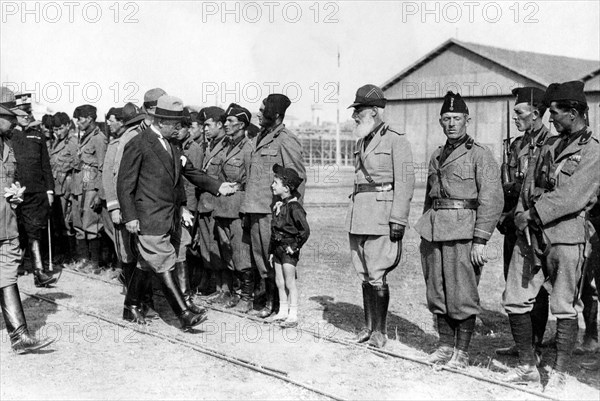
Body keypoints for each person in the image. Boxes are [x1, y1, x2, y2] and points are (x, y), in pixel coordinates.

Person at [502, 81, 599, 394]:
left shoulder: (593, 150)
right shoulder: (547, 146)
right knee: (515, 299)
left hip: (566, 237)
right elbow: (528, 185)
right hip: (530, 235)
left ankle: (558, 373)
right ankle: (528, 367)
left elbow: (572, 196)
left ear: (573, 112)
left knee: (563, 305)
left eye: (555, 113)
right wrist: (519, 214)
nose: (550, 119)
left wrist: (531, 214)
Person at [117, 95, 237, 331]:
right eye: (176, 124)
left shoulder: (172, 145)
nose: (181, 128)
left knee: (145, 263)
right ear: (161, 121)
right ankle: (183, 313)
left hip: (168, 217)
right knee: (162, 261)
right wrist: (129, 216)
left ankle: (131, 306)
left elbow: (190, 171)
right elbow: (124, 184)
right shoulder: (139, 143)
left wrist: (217, 186)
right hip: (147, 217)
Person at [415, 91, 503, 367]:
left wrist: (480, 240)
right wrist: (424, 230)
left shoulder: (480, 155)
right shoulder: (436, 155)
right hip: (434, 230)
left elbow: (492, 198)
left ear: (467, 120)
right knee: (437, 291)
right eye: (446, 119)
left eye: (456, 118)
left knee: (462, 293)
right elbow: (429, 197)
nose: (451, 123)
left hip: (463, 233)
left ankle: (461, 353)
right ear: (441, 122)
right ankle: (444, 346)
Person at [345, 84, 415, 348]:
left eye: (359, 111)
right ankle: (368, 327)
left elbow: (406, 183)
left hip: (382, 216)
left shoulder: (396, 140)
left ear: (374, 111)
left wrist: (398, 219)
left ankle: (380, 332)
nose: (355, 116)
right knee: (364, 273)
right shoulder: (363, 140)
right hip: (359, 215)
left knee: (377, 274)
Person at [496, 87, 551, 360]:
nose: (515, 117)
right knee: (513, 282)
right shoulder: (517, 145)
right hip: (513, 225)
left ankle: (536, 345)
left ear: (536, 113)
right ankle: (522, 344)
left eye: (520, 112)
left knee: (536, 288)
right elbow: (505, 184)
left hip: (536, 226)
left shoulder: (550, 144)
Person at [240, 94, 306, 319]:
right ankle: (270, 301)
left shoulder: (286, 139)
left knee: (277, 259)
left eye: (262, 110)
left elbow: (297, 177)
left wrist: (291, 214)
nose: (258, 113)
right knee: (261, 258)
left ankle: (282, 305)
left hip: (274, 211)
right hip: (255, 207)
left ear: (276, 115)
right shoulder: (259, 137)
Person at [0, 104, 54, 353]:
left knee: (7, 272)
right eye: (9, 118)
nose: (14, 123)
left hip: (6, 221)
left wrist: (13, 194)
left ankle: (19, 334)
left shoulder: (8, 144)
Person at [213, 103, 254, 312]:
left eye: (230, 121)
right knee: (227, 251)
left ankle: (247, 296)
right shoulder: (225, 145)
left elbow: (251, 182)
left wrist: (246, 210)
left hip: (237, 208)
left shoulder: (248, 148)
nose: (226, 124)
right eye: (226, 121)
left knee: (241, 252)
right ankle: (235, 293)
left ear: (242, 125)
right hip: (221, 207)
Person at [10, 104, 57, 287]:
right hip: (13, 191)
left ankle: (39, 272)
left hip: (36, 191)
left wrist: (50, 190)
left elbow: (46, 164)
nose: (26, 117)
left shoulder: (37, 136)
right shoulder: (8, 135)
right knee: (14, 230)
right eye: (22, 114)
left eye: (27, 113)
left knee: (34, 230)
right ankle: (14, 266)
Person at [268, 164, 310, 327]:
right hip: (277, 248)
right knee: (279, 281)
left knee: (289, 281)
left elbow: (305, 231)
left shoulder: (295, 208)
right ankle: (283, 310)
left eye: (275, 183)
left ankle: (293, 313)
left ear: (286, 188)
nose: (272, 186)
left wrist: (294, 246)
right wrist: (271, 251)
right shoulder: (280, 206)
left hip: (288, 249)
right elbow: (274, 230)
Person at [194, 106, 227, 301]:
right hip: (205, 204)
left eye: (207, 125)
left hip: (218, 205)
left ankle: (225, 289)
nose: (205, 129)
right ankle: (217, 287)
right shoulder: (210, 146)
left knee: (219, 248)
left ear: (219, 124)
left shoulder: (226, 146)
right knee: (208, 248)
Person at [70, 104, 107, 269]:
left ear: (90, 118)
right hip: (79, 185)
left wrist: (99, 192)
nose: (78, 122)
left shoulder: (99, 138)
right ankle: (83, 258)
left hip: (91, 186)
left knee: (91, 225)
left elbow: (103, 167)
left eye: (80, 119)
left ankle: (94, 262)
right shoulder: (84, 137)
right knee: (78, 223)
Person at [48, 111, 79, 262]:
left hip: (66, 188)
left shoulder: (72, 142)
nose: (57, 132)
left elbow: (77, 165)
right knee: (57, 222)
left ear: (68, 125)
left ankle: (71, 255)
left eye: (60, 128)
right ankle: (62, 254)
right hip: (56, 187)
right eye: (55, 129)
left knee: (67, 223)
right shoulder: (57, 141)